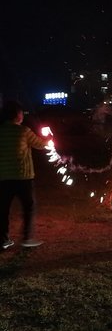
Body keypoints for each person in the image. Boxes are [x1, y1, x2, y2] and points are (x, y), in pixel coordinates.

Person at [0, 100, 50, 249]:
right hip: (23, 177)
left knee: (3, 209)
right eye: (21, 113)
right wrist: (48, 138)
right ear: (17, 116)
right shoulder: (24, 131)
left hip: (3, 178)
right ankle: (27, 238)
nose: (22, 115)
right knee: (28, 207)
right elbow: (41, 145)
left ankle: (3, 239)